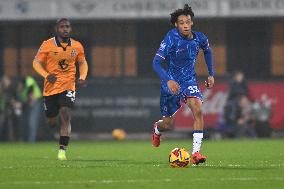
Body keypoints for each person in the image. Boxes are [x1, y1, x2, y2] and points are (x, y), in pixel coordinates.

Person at [151, 4, 214, 165]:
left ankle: (196, 153)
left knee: (198, 109)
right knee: (167, 124)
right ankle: (157, 130)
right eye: (181, 22)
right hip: (170, 83)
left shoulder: (200, 38)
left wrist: (211, 74)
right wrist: (168, 80)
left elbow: (207, 51)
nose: (185, 25)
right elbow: (156, 62)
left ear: (192, 23)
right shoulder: (171, 38)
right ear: (176, 25)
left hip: (188, 81)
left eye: (188, 22)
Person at [33, 18, 88, 160]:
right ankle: (53, 121)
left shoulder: (77, 46)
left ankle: (62, 150)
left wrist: (82, 77)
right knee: (51, 120)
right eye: (62, 27)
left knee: (65, 112)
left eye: (68, 26)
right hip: (50, 87)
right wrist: (46, 75)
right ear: (57, 29)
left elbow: (82, 63)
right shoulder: (47, 45)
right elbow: (36, 63)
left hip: (68, 85)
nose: (65, 29)